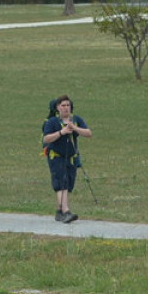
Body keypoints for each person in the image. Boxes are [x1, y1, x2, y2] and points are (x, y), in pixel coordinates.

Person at [42, 95, 92, 223]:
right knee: (61, 184)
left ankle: (59, 212)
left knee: (68, 184)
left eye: (68, 105)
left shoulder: (76, 120)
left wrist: (74, 128)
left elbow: (88, 133)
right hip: (56, 157)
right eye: (63, 106)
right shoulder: (52, 122)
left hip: (71, 158)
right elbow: (46, 139)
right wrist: (61, 132)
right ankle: (66, 211)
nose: (66, 108)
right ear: (58, 107)